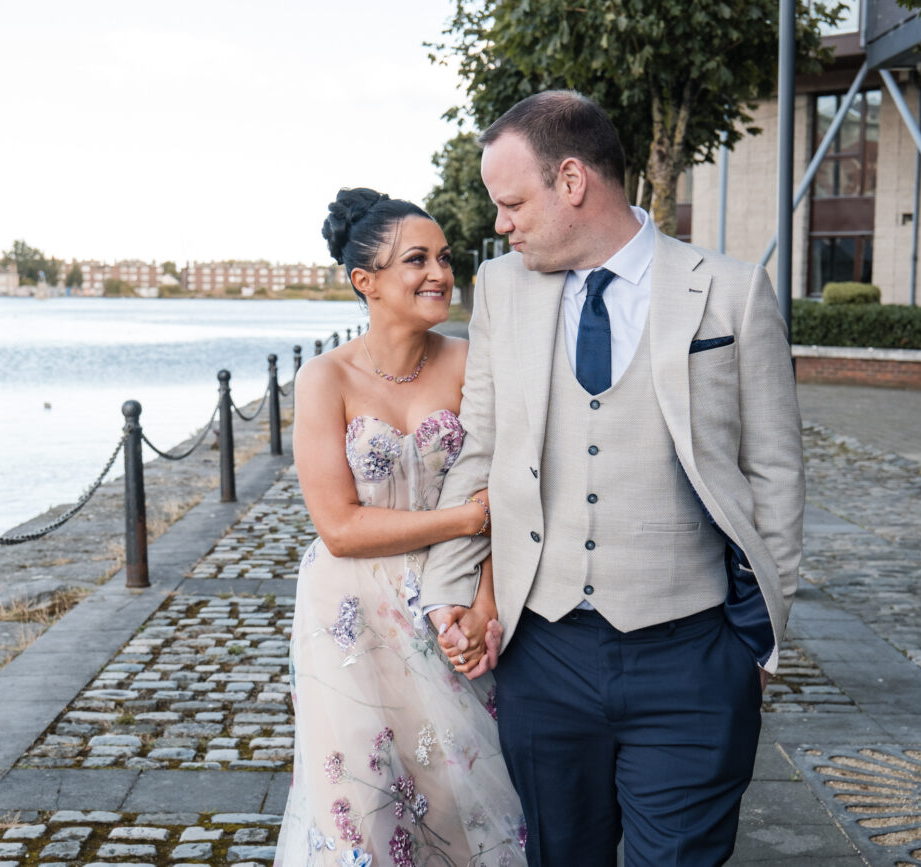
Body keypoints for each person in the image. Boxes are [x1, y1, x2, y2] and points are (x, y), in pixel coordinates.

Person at [422, 91, 806, 866]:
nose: (500, 224)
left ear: (572, 182)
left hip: (695, 654)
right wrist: (449, 590)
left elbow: (775, 471)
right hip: (545, 655)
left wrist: (759, 644)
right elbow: (482, 446)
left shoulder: (730, 292)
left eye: (512, 202)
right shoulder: (501, 289)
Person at [274, 188, 526, 866]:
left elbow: (508, 501)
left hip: (452, 601)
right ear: (366, 281)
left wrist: (486, 605)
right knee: (366, 799)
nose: (440, 273)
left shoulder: (471, 364)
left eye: (444, 256)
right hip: (351, 617)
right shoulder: (325, 379)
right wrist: (464, 516)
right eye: (417, 259)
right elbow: (339, 527)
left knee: (462, 792)